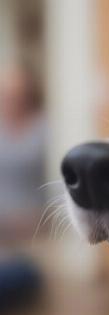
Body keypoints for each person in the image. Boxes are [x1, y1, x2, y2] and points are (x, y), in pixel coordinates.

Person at [0, 64, 46, 241]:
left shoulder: (44, 127)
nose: (12, 98)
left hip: (38, 228)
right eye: (6, 93)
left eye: (18, 92)